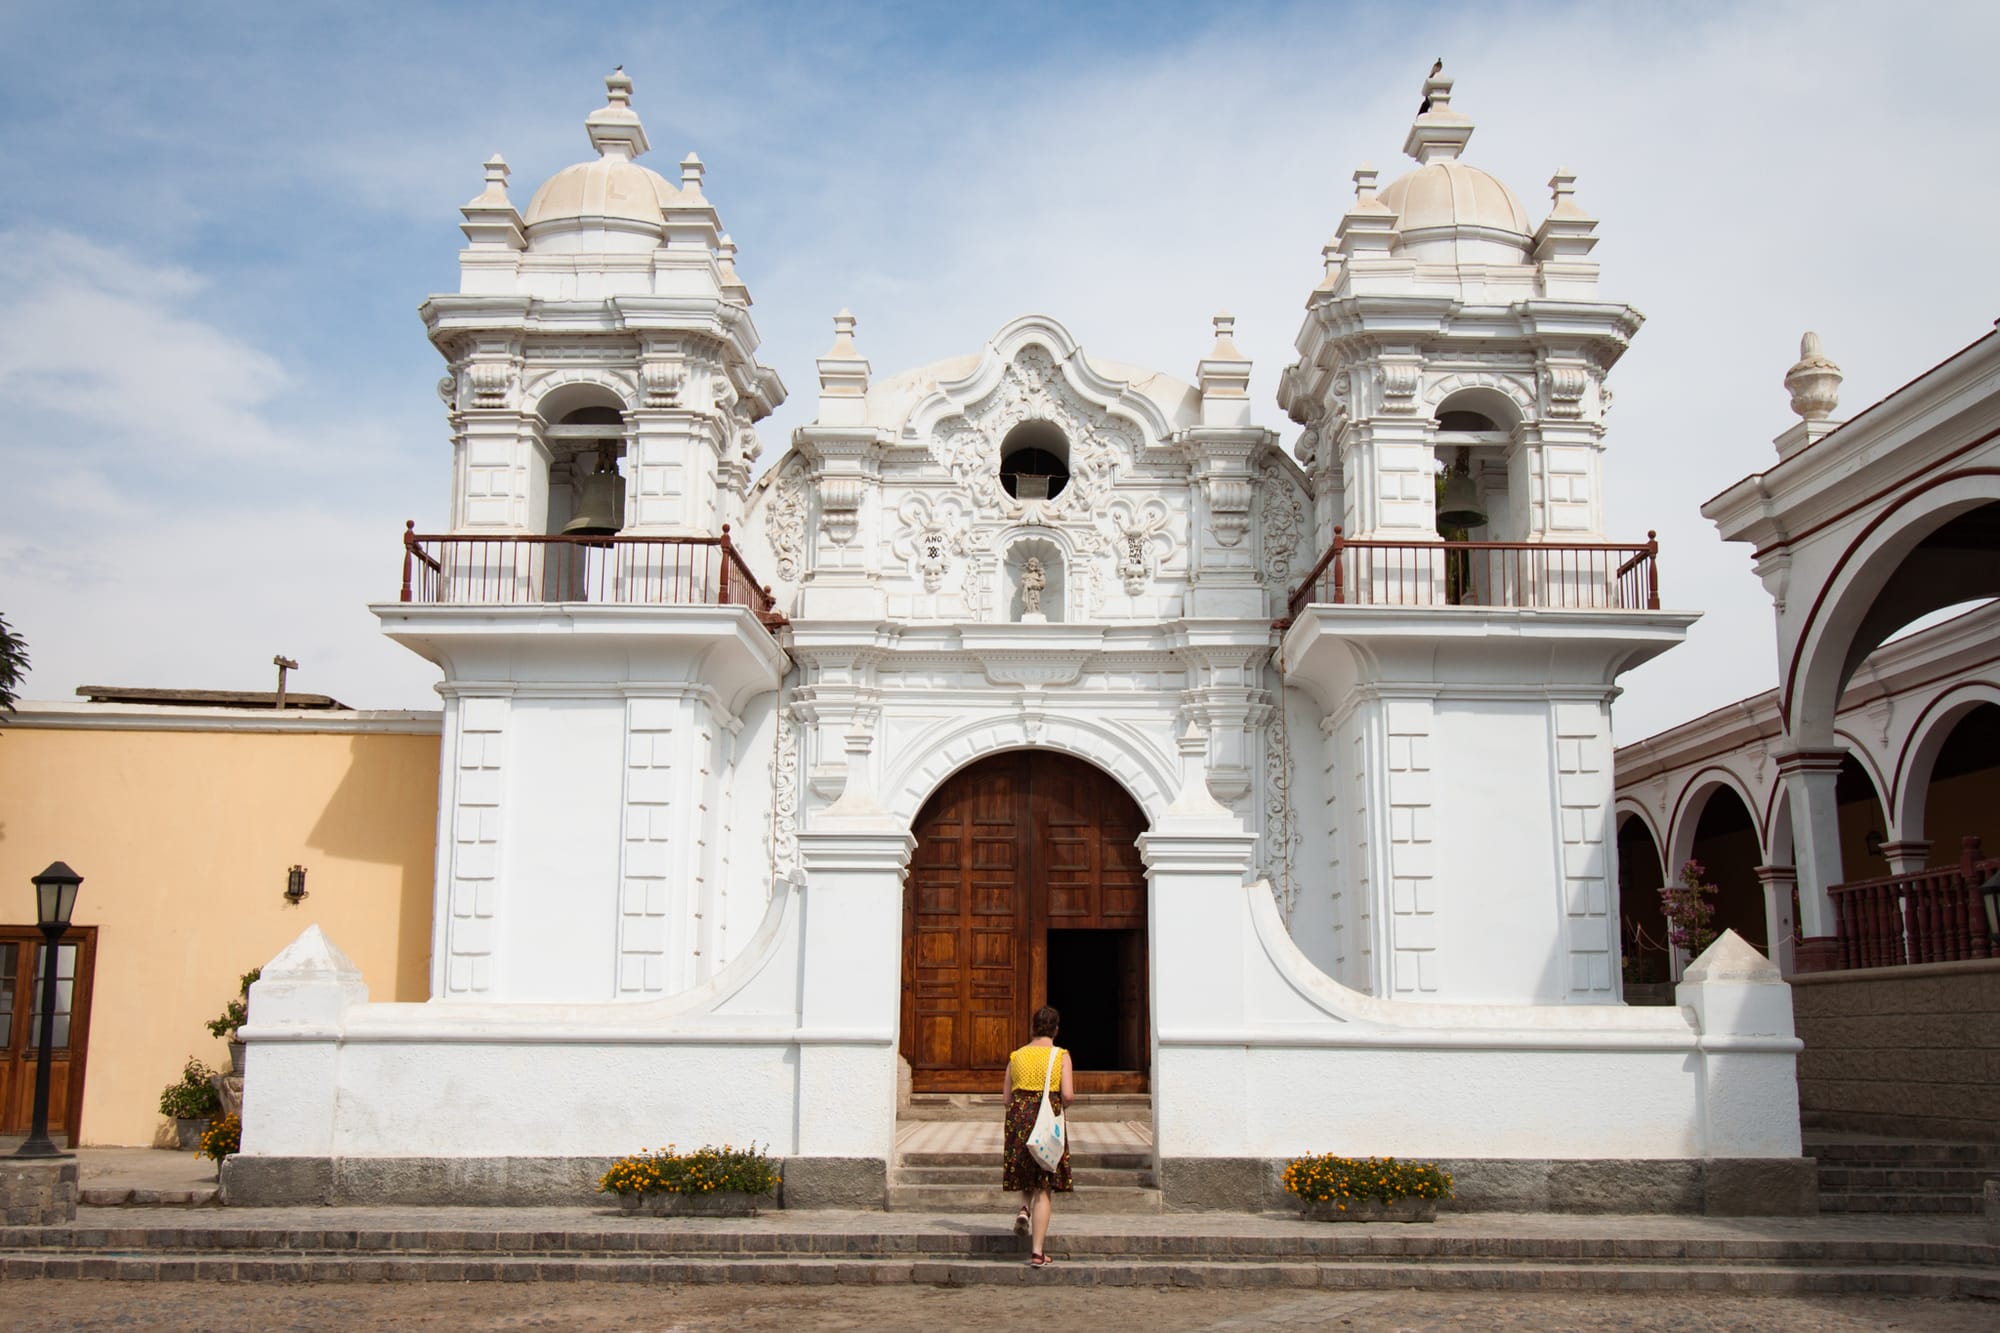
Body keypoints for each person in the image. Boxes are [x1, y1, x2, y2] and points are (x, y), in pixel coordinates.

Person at [1001, 1004, 1074, 1268]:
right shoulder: (1060, 1055)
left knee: (1025, 1169)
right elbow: (1067, 1095)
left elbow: (1006, 1097)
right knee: (1043, 1185)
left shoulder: (1016, 1055)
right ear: (1055, 1029)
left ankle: (1023, 1208)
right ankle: (1037, 1252)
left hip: (1019, 1116)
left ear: (1033, 1027)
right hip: (1045, 1118)